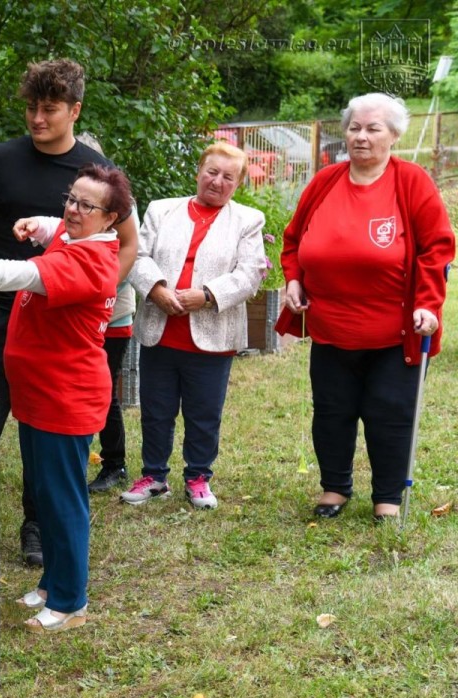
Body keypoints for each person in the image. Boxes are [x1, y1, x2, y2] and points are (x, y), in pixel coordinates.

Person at [0, 58, 138, 573]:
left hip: (61, 329)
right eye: (31, 108)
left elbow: (125, 245)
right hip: (0, 317)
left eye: (50, 109)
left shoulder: (94, 176)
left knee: (45, 431)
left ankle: (35, 526)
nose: (37, 118)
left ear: (75, 110)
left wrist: (97, 292)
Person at [0, 164, 132, 631]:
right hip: (39, 393)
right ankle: (53, 581)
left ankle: (70, 602)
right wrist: (40, 224)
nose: (71, 209)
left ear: (110, 220)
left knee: (63, 499)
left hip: (65, 398)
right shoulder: (76, 236)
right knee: (45, 494)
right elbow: (60, 232)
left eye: (86, 205)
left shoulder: (93, 262)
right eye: (71, 198)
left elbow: (30, 275)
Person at [277, 93, 454, 522]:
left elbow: (437, 248)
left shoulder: (411, 181)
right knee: (332, 412)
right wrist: (295, 278)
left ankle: (387, 497)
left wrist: (428, 304)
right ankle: (334, 488)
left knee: (388, 414)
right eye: (355, 127)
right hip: (331, 327)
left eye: (373, 128)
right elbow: (295, 239)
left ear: (394, 134)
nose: (361, 136)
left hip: (395, 332)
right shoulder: (325, 181)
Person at [120, 142, 266, 510]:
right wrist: (156, 289)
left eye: (228, 177)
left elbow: (250, 274)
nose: (217, 182)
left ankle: (198, 477)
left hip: (213, 334)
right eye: (211, 172)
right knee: (156, 408)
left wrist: (208, 295)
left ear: (238, 184)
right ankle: (154, 476)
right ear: (198, 171)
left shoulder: (248, 220)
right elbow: (136, 255)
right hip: (160, 327)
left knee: (204, 412)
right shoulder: (161, 210)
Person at [77, 133, 136, 493]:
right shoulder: (72, 201)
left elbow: (130, 254)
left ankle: (115, 463)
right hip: (72, 316)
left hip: (112, 317)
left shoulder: (120, 204)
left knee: (105, 390)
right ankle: (78, 456)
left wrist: (96, 294)